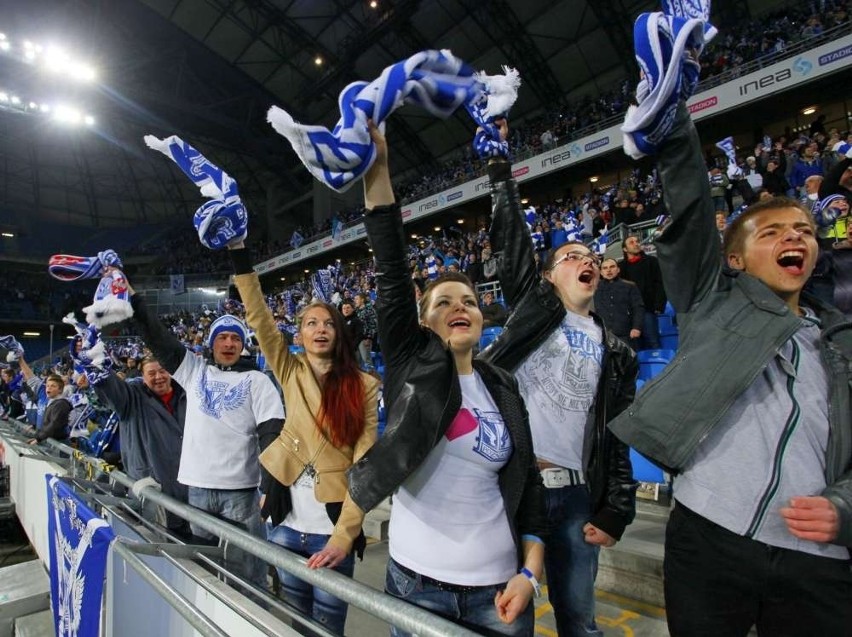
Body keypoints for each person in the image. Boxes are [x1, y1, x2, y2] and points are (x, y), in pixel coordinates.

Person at [609, 101, 852, 636]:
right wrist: (674, 119)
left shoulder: (842, 342)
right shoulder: (711, 305)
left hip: (819, 558)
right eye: (770, 233)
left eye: (803, 231)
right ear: (734, 260)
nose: (793, 238)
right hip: (709, 537)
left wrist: (846, 509)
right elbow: (692, 210)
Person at [348, 122, 547, 637]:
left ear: (482, 320)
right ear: (423, 322)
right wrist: (378, 165)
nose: (461, 307)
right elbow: (392, 267)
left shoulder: (504, 386)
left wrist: (530, 573)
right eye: (444, 302)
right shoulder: (410, 367)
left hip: (500, 593)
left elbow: (529, 495)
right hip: (418, 590)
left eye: (471, 302)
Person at [479, 121, 637, 637]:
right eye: (570, 257)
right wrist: (500, 172)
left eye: (590, 257)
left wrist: (617, 507)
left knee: (580, 623)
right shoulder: (533, 311)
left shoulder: (618, 353)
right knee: (506, 620)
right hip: (515, 485)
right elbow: (511, 248)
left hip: (574, 495)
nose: (585, 261)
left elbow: (616, 433)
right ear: (549, 277)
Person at [227, 240, 379, 635]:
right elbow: (259, 318)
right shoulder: (289, 370)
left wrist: (344, 538)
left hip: (333, 528)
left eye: (329, 323)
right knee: (296, 622)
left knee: (329, 626)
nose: (320, 329)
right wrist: (241, 252)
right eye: (311, 323)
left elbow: (365, 465)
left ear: (340, 334)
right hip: (284, 525)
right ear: (300, 334)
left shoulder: (364, 386)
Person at [125, 280, 284, 589]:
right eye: (222, 337)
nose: (228, 343)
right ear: (212, 343)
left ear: (242, 345)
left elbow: (271, 434)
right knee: (205, 571)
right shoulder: (194, 370)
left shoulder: (258, 381)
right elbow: (158, 339)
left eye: (234, 338)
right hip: (196, 491)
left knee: (247, 573)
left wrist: (269, 486)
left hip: (240, 491)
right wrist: (133, 298)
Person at [90, 355, 190, 538]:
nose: (158, 377)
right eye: (151, 373)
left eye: (162, 371)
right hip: (153, 492)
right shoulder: (132, 398)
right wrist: (101, 371)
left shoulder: (187, 394)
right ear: (143, 377)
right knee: (163, 552)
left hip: (189, 489)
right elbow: (114, 391)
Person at [619, 235, 667, 350]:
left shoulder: (652, 262)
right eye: (631, 242)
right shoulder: (620, 268)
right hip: (628, 313)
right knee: (634, 347)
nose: (636, 244)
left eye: (637, 241)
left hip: (648, 309)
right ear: (625, 249)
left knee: (653, 343)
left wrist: (658, 305)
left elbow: (660, 284)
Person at [593, 258, 644, 351]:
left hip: (626, 333)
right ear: (601, 272)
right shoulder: (594, 288)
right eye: (605, 268)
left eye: (612, 267)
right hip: (604, 334)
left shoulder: (630, 286)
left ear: (618, 269)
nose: (609, 270)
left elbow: (638, 308)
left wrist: (636, 327)